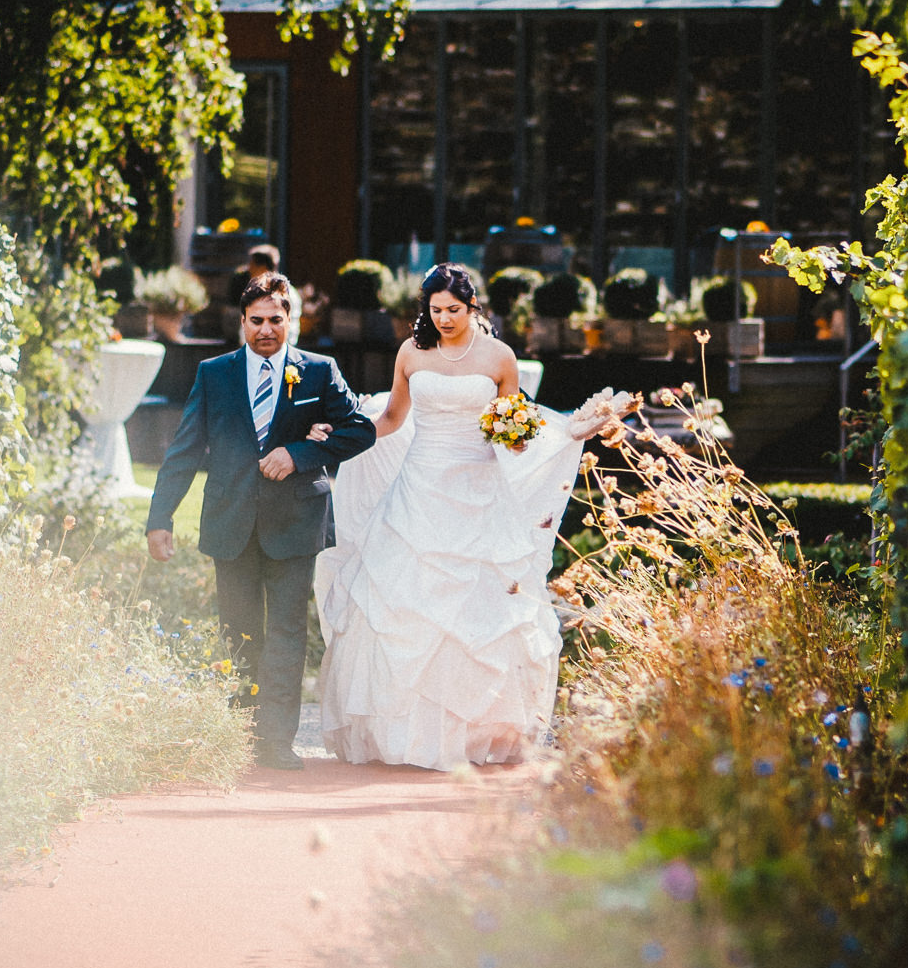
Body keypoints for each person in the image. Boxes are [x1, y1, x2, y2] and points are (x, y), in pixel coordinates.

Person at [314, 263, 600, 770]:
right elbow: (392, 419)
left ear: (472, 308)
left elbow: (518, 430)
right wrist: (340, 439)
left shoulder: (499, 357)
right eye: (435, 309)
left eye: (453, 310)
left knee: (478, 614)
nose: (444, 318)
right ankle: (399, 735)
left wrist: (561, 435)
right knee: (402, 603)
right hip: (417, 492)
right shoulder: (410, 351)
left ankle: (475, 734)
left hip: (479, 492)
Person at [146, 274, 375, 770]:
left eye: (276, 319)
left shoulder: (319, 371)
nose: (266, 329)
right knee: (238, 631)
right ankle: (241, 734)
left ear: (290, 320)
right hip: (230, 523)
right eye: (257, 321)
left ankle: (276, 741)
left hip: (295, 522)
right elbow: (185, 449)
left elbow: (362, 429)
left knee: (288, 632)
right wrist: (159, 516)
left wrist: (300, 453)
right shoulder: (214, 374)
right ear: (242, 323)